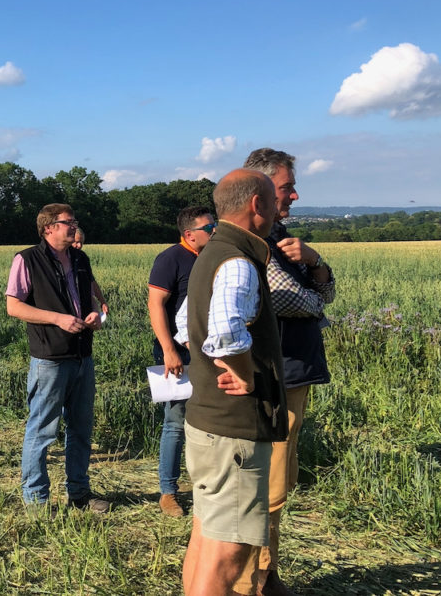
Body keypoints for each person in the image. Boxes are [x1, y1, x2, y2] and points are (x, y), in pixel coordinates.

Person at [173, 169, 288, 596]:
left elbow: (186, 325)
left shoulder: (212, 252)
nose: (280, 209)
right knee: (230, 550)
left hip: (208, 422)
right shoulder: (239, 261)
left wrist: (212, 366)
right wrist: (244, 376)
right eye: (275, 200)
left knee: (207, 535)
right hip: (234, 430)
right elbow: (223, 335)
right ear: (257, 205)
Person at [237, 148, 336, 596]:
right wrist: (316, 300)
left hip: (294, 374)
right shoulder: (252, 242)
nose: (295, 195)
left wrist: (314, 261)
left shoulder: (282, 237)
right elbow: (289, 299)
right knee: (267, 484)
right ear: (258, 192)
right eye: (286, 188)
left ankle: (265, 572)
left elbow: (325, 292)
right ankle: (253, 580)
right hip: (274, 378)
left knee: (282, 479)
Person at [6, 203, 109, 513]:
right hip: (49, 357)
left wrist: (94, 316)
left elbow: (90, 300)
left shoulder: (80, 259)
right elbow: (14, 306)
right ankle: (36, 499)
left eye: (74, 221)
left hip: (82, 355)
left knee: (81, 428)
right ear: (48, 227)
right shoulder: (27, 259)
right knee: (42, 428)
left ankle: (79, 493)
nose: (73, 226)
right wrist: (57, 318)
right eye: (68, 222)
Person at [147, 206, 215, 518]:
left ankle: (207, 488)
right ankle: (168, 492)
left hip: (210, 353)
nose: (214, 230)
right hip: (178, 354)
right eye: (208, 227)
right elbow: (156, 305)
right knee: (175, 423)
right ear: (189, 234)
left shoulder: (212, 257)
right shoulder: (170, 259)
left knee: (210, 422)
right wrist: (168, 350)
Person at [70, 227, 109, 315]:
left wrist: (102, 301)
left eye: (81, 242)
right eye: (76, 242)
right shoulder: (61, 259)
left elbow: (91, 281)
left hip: (85, 306)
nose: (79, 246)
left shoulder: (83, 257)